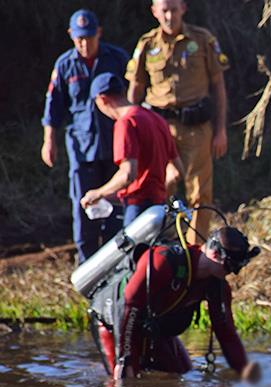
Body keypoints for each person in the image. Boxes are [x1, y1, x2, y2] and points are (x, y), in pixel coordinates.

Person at [92, 225, 262, 382]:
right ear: (215, 254)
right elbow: (128, 305)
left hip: (154, 330)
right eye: (230, 266)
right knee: (124, 384)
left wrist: (244, 371)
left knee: (182, 375)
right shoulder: (164, 261)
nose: (232, 273)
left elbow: (226, 333)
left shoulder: (217, 284)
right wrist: (125, 358)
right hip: (116, 322)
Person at [126, 0, 230, 244]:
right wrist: (130, 132)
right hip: (159, 129)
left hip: (196, 127)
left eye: (173, 9)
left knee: (200, 194)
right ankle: (161, 244)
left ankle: (196, 251)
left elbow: (219, 87)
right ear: (154, 12)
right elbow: (135, 91)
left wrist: (221, 130)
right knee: (160, 186)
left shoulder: (203, 40)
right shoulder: (147, 45)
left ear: (183, 8)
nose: (169, 16)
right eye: (163, 11)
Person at [41, 9, 128, 262]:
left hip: (115, 144)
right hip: (81, 146)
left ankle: (116, 263)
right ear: (71, 35)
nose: (84, 43)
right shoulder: (65, 65)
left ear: (98, 33)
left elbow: (133, 97)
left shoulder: (116, 58)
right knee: (83, 207)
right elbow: (53, 106)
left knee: (115, 205)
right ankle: (87, 267)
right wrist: (49, 141)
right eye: (79, 38)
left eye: (89, 37)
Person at [79, 73, 184, 226]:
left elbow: (128, 174)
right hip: (159, 208)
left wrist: (98, 193)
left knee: (132, 250)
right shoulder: (157, 119)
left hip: (138, 208)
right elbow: (177, 171)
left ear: (102, 99)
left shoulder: (126, 123)